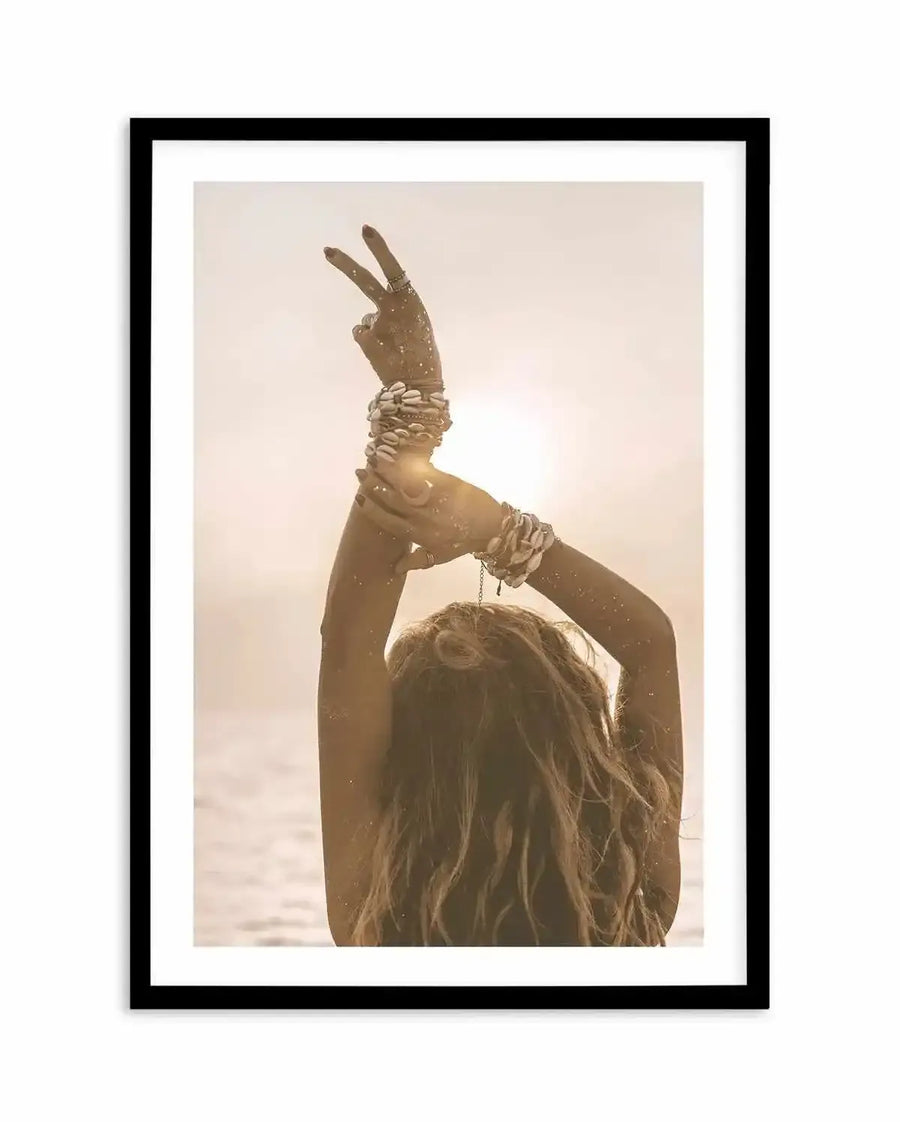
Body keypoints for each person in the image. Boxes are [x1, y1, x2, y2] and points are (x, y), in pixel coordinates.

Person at [318, 226, 683, 946]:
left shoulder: (380, 907)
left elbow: (348, 642)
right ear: (583, 736)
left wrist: (414, 406)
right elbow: (649, 645)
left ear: (401, 757)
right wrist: (499, 532)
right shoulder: (632, 895)